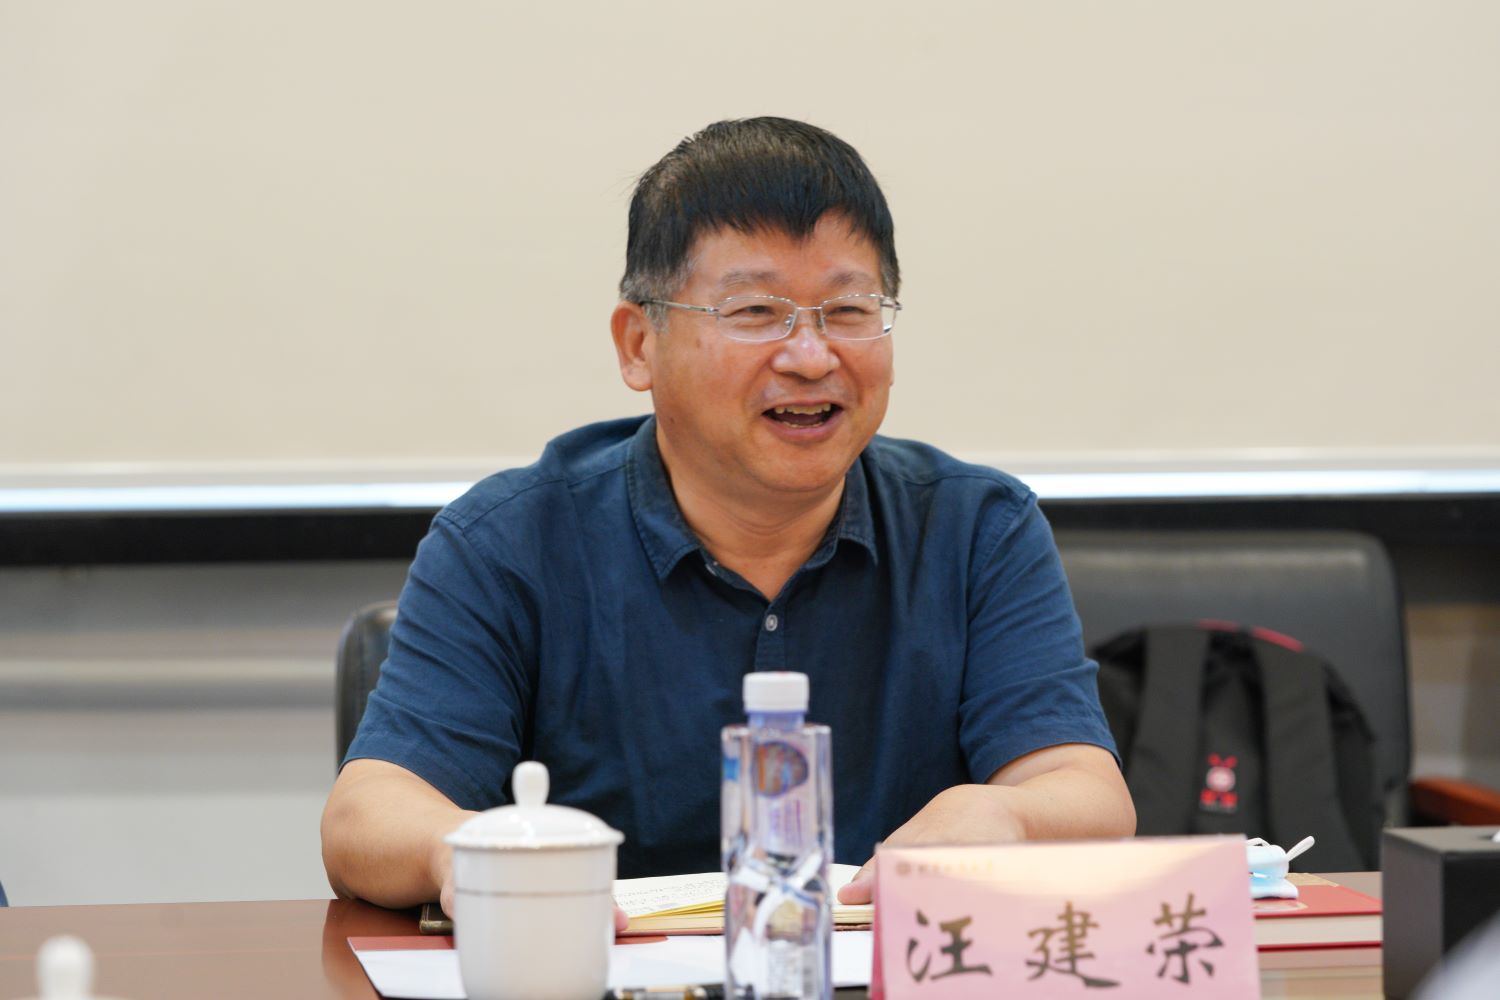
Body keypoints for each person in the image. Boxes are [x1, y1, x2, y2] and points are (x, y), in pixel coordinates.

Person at [320, 117, 1134, 922]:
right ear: (638, 345)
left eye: (849, 310)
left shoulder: (975, 528)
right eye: (754, 312)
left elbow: (1085, 793)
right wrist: (470, 851)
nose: (810, 356)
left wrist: (1006, 814)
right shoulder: (510, 541)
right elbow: (367, 814)